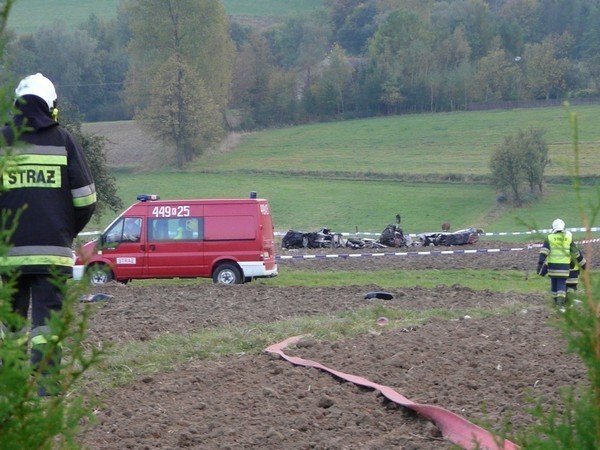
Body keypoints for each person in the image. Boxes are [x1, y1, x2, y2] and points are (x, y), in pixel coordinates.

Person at [0, 73, 97, 395]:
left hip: (8, 254)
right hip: (53, 251)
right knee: (46, 321)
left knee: (11, 319)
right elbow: (86, 199)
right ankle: (45, 384)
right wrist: (65, 232)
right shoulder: (63, 140)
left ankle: (12, 385)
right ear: (51, 106)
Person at [537, 218, 586, 307]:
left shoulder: (550, 238)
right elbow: (577, 254)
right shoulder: (568, 238)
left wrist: (541, 268)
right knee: (565, 287)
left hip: (553, 268)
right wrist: (584, 266)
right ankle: (564, 303)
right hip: (567, 269)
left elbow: (545, 254)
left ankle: (557, 303)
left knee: (555, 286)